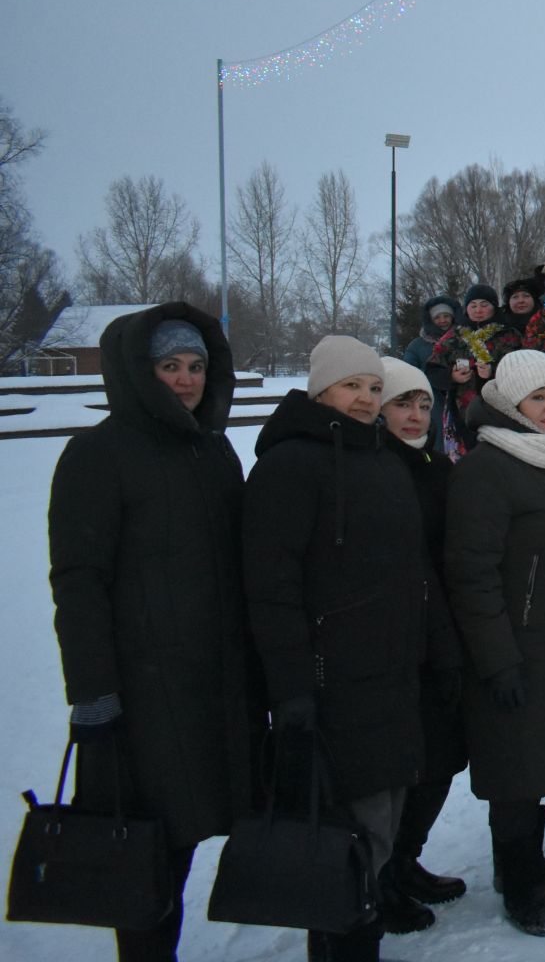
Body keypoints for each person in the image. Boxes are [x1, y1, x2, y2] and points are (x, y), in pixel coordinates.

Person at [48, 304, 259, 962]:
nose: (187, 379)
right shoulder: (97, 455)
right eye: (169, 366)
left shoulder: (213, 448)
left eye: (196, 365)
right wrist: (94, 694)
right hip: (142, 693)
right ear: (138, 372)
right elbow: (79, 583)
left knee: (187, 832)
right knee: (146, 845)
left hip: (212, 683)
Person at [244, 337, 428, 959]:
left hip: (391, 677)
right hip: (330, 684)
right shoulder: (290, 465)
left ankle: (360, 930)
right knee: (346, 834)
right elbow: (271, 587)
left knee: (382, 820)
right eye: (352, 386)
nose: (366, 399)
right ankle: (343, 945)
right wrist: (292, 688)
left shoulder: (380, 458)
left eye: (375, 388)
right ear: (320, 388)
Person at [444, 350, 545, 937]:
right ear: (511, 406)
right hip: (513, 644)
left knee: (540, 761)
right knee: (513, 769)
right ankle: (519, 884)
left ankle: (531, 861)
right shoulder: (487, 470)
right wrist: (497, 657)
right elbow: (471, 572)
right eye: (539, 399)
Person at [375, 358, 469, 934]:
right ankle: (379, 876)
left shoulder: (438, 466)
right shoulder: (370, 468)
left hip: (442, 631)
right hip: (390, 638)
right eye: (401, 404)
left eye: (424, 405)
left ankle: (405, 858)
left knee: (440, 756)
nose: (414, 416)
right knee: (393, 766)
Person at [427, 284, 524, 459]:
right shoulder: (453, 337)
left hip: (502, 409)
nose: (478, 310)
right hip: (461, 411)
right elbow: (432, 369)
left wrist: (493, 373)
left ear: (494, 306)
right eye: (473, 306)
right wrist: (452, 376)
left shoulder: (509, 335)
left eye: (484, 304)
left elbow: (522, 369)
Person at [404, 294, 459, 450]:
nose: (442, 320)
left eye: (446, 316)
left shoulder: (463, 341)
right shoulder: (418, 345)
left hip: (458, 397)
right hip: (431, 399)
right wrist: (435, 376)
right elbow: (409, 371)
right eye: (438, 317)